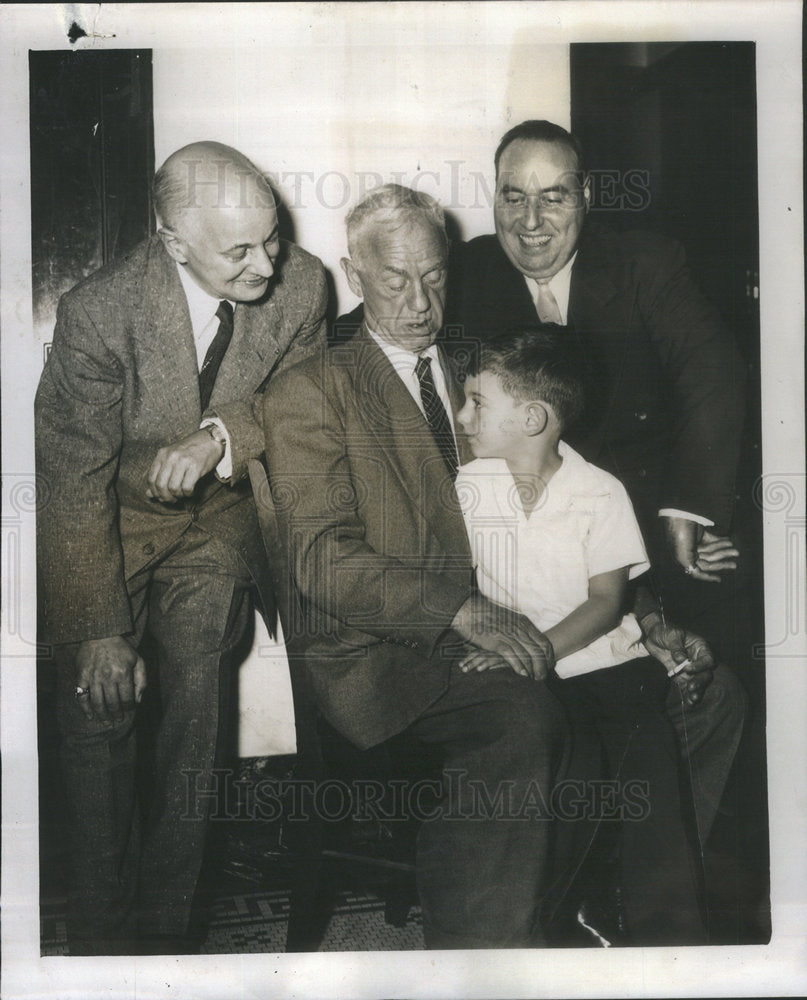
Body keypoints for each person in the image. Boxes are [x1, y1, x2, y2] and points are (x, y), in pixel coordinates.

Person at [262, 184, 717, 949]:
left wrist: (643, 620)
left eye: (434, 276)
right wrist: (462, 612)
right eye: (394, 279)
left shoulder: (484, 366)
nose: (417, 302)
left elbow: (570, 501)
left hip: (521, 619)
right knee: (522, 719)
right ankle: (479, 957)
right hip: (385, 651)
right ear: (353, 272)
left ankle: (617, 930)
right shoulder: (316, 390)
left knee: (654, 706)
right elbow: (320, 561)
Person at [35, 141, 328, 954]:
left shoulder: (303, 285)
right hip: (111, 524)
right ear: (172, 242)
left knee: (194, 695)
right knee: (99, 716)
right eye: (237, 251)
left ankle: (167, 942)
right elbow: (69, 477)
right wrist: (97, 628)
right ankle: (102, 949)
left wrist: (216, 436)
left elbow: (296, 404)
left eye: (269, 237)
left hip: (216, 521)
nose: (265, 264)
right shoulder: (101, 311)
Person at [445, 119, 747, 656]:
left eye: (553, 197)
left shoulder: (645, 265)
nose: (530, 221)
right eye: (513, 198)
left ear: (585, 196)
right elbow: (374, 324)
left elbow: (711, 370)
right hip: (523, 547)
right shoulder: (462, 272)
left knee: (710, 660)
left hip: (644, 521)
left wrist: (690, 506)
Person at [454, 328, 715, 944]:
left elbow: (606, 604)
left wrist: (537, 649)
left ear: (532, 417)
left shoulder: (600, 492)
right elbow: (458, 578)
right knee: (562, 779)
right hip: (525, 670)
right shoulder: (470, 486)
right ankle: (558, 926)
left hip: (607, 666)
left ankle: (673, 943)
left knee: (645, 781)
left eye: (476, 402)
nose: (463, 416)